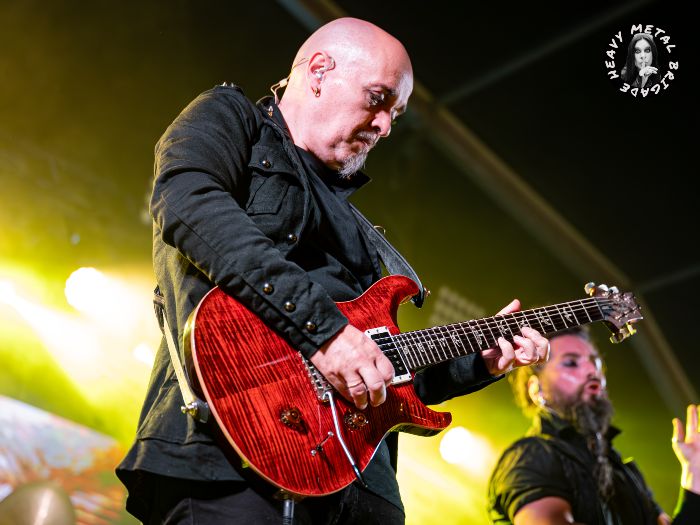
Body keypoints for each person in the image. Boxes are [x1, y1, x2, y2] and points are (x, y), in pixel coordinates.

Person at [116, 17, 549, 524]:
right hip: (236, 448)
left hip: (361, 488)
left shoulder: (362, 234)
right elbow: (188, 201)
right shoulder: (231, 117)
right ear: (319, 71)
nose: (385, 126)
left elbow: (382, 374)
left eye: (396, 114)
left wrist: (477, 363)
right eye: (378, 99)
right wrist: (326, 332)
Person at [487, 327, 700, 524]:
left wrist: (695, 477)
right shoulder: (532, 455)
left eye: (595, 362)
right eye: (571, 363)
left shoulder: (620, 468)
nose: (592, 370)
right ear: (537, 389)